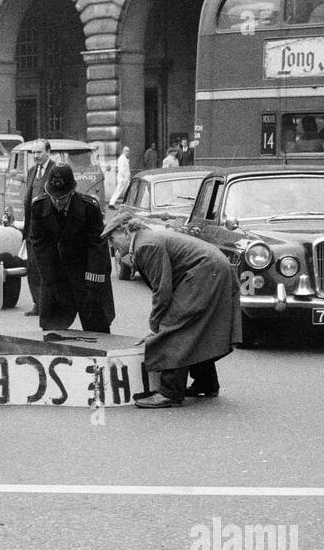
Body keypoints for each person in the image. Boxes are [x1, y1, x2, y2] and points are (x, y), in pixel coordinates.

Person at [103, 212, 241, 408]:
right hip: (212, 270)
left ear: (125, 232)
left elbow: (162, 291)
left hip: (206, 273)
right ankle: (206, 383)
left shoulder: (145, 245)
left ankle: (170, 392)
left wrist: (156, 326)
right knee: (197, 329)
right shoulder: (146, 239)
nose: (111, 245)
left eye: (111, 238)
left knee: (175, 327)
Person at [29, 164, 114, 333]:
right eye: (53, 197)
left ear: (72, 192)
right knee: (52, 331)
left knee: (97, 329)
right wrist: (51, 279)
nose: (57, 202)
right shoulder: (39, 207)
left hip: (86, 273)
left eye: (63, 198)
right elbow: (39, 245)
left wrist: (93, 284)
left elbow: (97, 246)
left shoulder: (89, 207)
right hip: (56, 274)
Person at [20, 139, 56, 317]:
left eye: (39, 152)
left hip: (47, 230)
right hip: (31, 228)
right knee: (32, 267)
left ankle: (47, 305)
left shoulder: (55, 171)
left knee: (46, 268)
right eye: (33, 153)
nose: (35, 156)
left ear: (48, 152)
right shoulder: (31, 171)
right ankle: (37, 303)